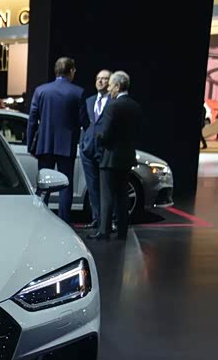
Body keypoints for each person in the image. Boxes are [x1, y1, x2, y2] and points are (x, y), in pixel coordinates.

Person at [26, 56, 88, 223]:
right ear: (71, 71)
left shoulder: (41, 91)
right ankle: (64, 222)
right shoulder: (78, 92)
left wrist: (30, 145)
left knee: (43, 185)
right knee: (65, 186)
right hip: (67, 146)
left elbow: (32, 120)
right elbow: (84, 122)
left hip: (44, 144)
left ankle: (40, 220)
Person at [89, 71, 141, 241]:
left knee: (107, 196)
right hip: (127, 158)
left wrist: (97, 137)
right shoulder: (135, 106)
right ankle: (122, 231)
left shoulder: (112, 107)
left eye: (111, 85)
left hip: (110, 158)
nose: (109, 88)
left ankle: (104, 231)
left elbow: (105, 134)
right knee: (122, 195)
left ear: (118, 86)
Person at [79, 69, 112, 230]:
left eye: (104, 79)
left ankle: (109, 221)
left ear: (110, 82)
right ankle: (97, 219)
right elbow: (84, 122)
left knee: (107, 187)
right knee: (92, 187)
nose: (100, 81)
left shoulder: (114, 101)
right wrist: (82, 143)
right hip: (88, 149)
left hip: (106, 150)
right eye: (98, 78)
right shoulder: (89, 101)